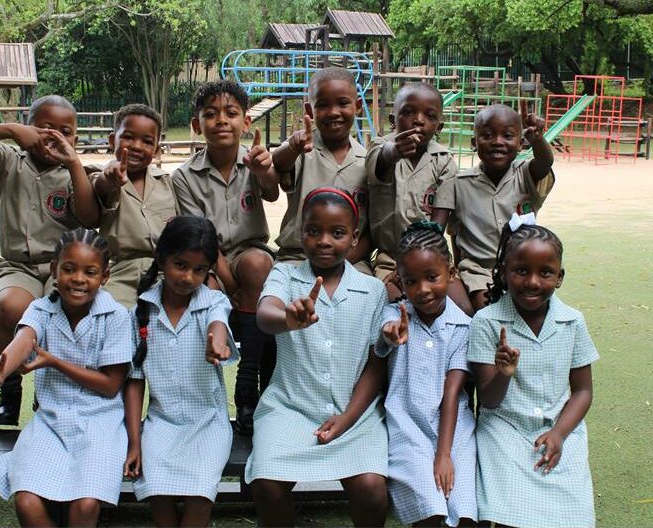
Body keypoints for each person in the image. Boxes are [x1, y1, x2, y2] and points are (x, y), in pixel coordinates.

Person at [247, 188, 389, 527]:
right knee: (267, 483)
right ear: (300, 233)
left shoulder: (373, 290)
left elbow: (376, 363)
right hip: (289, 409)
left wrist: (348, 418)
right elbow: (266, 314)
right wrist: (287, 319)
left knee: (371, 488)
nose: (324, 241)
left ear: (355, 238)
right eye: (313, 231)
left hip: (354, 414)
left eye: (337, 233)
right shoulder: (285, 275)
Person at [0, 228, 132, 527]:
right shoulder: (41, 309)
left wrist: (55, 362)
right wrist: (2, 367)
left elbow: (111, 386)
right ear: (54, 270)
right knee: (27, 501)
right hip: (50, 420)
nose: (78, 279)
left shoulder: (116, 317)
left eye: (90, 272)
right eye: (69, 269)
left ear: (105, 277)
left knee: (85, 506)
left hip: (100, 422)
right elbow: (25, 339)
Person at [0, 95, 92, 426]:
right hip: (17, 265)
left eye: (66, 131)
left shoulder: (76, 172)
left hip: (62, 268)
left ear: (75, 138)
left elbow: (89, 216)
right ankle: (9, 389)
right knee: (11, 307)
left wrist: (74, 164)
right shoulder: (6, 160)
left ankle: (47, 393)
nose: (54, 136)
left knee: (64, 312)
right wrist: (12, 130)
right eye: (44, 127)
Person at [468, 216, 598, 528]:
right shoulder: (486, 322)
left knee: (572, 519)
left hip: (560, 427)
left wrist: (559, 434)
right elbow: (488, 400)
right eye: (521, 271)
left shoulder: (572, 321)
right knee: (510, 515)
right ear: (503, 273)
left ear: (560, 276)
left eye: (546, 272)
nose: (533, 282)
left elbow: (583, 391)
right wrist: (504, 372)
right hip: (504, 430)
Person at [171, 80, 278, 435]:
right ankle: (205, 404)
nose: (221, 121)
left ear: (246, 122)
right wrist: (228, 284)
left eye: (231, 113)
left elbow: (274, 192)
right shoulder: (184, 176)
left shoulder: (255, 162)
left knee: (258, 265)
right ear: (196, 124)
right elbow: (199, 238)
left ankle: (247, 383)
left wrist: (265, 171)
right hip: (207, 259)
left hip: (250, 253)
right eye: (211, 114)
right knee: (205, 288)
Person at [122, 215, 238, 527]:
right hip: (161, 425)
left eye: (199, 270)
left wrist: (218, 344)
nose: (188, 277)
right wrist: (135, 442)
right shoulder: (140, 313)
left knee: (200, 498)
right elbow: (134, 383)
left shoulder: (214, 302)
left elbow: (219, 324)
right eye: (180, 264)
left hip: (208, 424)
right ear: (161, 258)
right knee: (158, 495)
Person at [376, 221, 476, 527]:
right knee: (430, 509)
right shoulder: (395, 314)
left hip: (454, 429)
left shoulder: (463, 327)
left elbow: (452, 394)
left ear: (451, 272)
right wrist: (391, 335)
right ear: (399, 281)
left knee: (466, 510)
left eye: (432, 277)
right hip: (408, 427)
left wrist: (444, 453)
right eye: (411, 282)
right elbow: (385, 335)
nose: (423, 290)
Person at [433, 103, 555, 314]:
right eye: (487, 136)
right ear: (474, 142)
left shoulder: (527, 175)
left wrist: (538, 140)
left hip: (522, 267)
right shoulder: (459, 183)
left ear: (520, 143)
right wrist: (460, 272)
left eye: (508, 136)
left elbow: (545, 162)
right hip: (478, 270)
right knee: (489, 311)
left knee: (532, 312)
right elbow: (455, 234)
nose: (497, 142)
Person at [270, 66, 373, 275]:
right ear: (309, 111)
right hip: (297, 257)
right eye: (323, 105)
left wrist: (342, 266)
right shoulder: (301, 150)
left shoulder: (368, 162)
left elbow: (371, 230)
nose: (334, 112)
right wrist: (292, 147)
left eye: (343, 103)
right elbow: (279, 163)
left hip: (350, 262)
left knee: (372, 292)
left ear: (358, 106)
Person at [366, 83, 458, 303]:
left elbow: (438, 223)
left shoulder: (444, 161)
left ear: (439, 126)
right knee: (397, 304)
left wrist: (420, 260)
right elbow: (379, 163)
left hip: (432, 255)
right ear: (392, 119)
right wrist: (394, 151)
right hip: (390, 258)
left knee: (461, 306)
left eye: (430, 115)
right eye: (408, 112)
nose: (418, 120)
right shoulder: (380, 147)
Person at [83, 104, 177, 308]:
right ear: (111, 140)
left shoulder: (168, 183)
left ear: (156, 150)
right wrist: (109, 180)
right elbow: (99, 187)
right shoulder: (101, 176)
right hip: (120, 273)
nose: (136, 146)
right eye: (128, 137)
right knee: (110, 315)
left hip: (166, 273)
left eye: (147, 141)